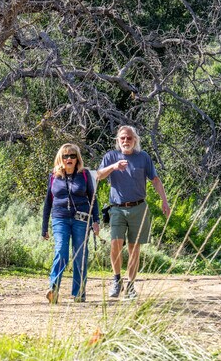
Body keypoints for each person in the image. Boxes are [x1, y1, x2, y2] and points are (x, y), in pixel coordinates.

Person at [97, 125, 170, 299]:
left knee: (134, 248)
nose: (125, 141)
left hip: (139, 208)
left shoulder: (143, 157)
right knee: (115, 244)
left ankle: (130, 285)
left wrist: (164, 201)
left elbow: (155, 179)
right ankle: (116, 280)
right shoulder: (111, 156)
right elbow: (98, 175)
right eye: (122, 138)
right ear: (118, 140)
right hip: (117, 208)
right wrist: (113, 167)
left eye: (129, 138)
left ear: (135, 140)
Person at [42, 143, 100, 304]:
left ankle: (79, 292)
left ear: (77, 159)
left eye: (72, 156)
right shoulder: (54, 176)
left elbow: (93, 199)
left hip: (81, 219)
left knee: (80, 255)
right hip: (60, 218)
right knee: (61, 250)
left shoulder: (85, 175)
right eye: (66, 156)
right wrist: (44, 227)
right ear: (60, 158)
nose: (69, 159)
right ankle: (54, 289)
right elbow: (48, 202)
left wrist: (96, 221)